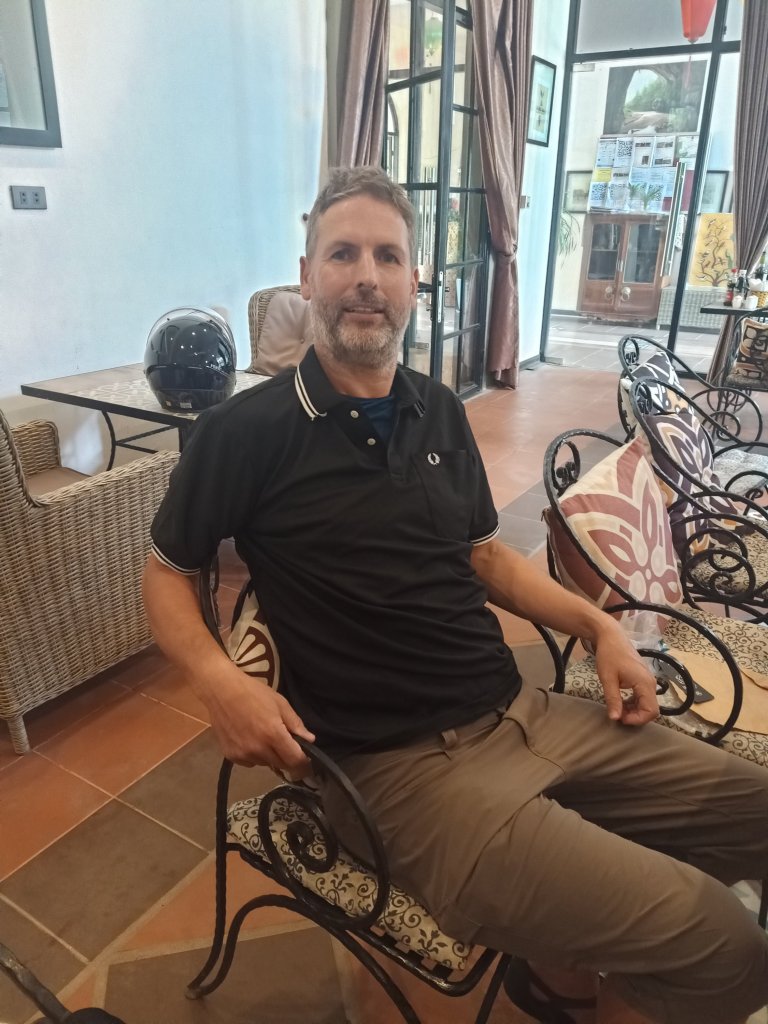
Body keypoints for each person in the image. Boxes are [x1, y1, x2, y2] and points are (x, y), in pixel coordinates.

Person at [143, 165, 768, 1024]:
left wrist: (599, 629)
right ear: (307, 277)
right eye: (344, 254)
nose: (367, 276)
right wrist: (221, 682)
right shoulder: (245, 432)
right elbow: (168, 573)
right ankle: (588, 983)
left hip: (524, 713)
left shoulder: (436, 409)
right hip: (399, 775)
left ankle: (558, 984)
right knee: (717, 938)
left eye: (388, 257)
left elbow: (485, 558)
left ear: (415, 281)